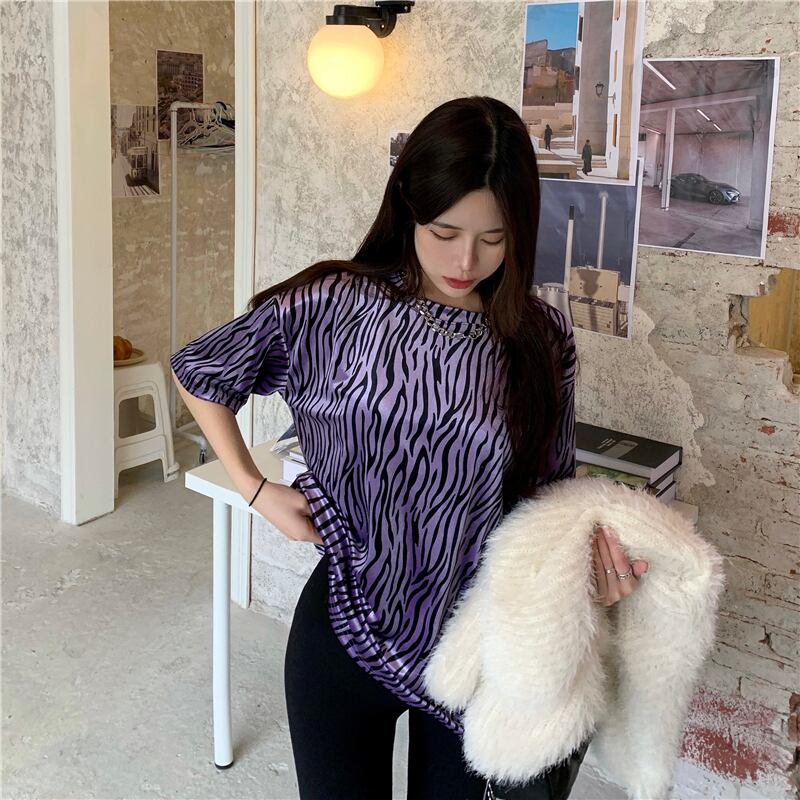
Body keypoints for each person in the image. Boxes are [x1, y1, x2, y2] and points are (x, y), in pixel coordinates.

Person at [170, 95, 648, 800]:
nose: (465, 260)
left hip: (476, 643)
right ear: (408, 206)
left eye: (493, 238)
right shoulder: (333, 305)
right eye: (444, 231)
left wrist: (589, 581)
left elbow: (550, 501)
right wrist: (254, 488)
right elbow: (201, 371)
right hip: (344, 625)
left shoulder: (539, 338)